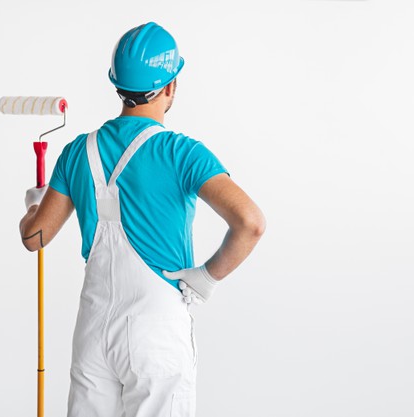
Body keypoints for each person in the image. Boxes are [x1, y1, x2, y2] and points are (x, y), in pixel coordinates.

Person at [19, 22, 265, 417]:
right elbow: (250, 223)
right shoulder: (181, 152)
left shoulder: (76, 151)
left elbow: (35, 238)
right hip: (155, 332)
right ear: (171, 86)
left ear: (116, 84)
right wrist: (206, 277)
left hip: (94, 330)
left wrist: (36, 203)